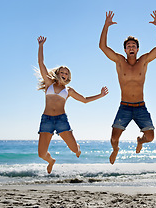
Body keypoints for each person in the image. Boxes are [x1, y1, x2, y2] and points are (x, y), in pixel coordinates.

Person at [99, 11, 156, 164]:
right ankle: (116, 150)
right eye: (128, 46)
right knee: (114, 138)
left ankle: (140, 141)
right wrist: (106, 25)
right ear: (125, 49)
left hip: (141, 107)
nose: (131, 48)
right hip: (125, 107)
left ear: (137, 49)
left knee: (150, 137)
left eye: (133, 46)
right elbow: (102, 47)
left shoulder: (144, 61)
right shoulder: (119, 61)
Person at [36, 36, 108, 174]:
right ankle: (51, 161)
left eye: (66, 73)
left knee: (75, 150)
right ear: (57, 73)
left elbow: (85, 100)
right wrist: (41, 46)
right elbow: (41, 63)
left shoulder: (69, 90)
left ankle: (78, 148)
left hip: (61, 120)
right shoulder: (49, 83)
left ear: (68, 77)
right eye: (61, 72)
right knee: (41, 154)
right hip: (47, 120)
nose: (63, 74)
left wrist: (100, 95)